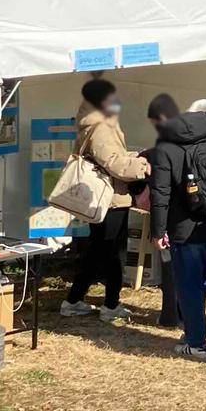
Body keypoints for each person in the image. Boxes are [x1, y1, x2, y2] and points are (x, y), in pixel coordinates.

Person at [145, 93, 206, 362]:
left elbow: (160, 195)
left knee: (187, 286)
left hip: (183, 229)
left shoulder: (165, 150)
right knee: (203, 283)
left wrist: (158, 232)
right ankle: (194, 330)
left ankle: (197, 343)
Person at [60, 79, 150, 322]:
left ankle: (74, 299)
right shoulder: (101, 128)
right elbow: (115, 164)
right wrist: (143, 165)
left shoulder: (97, 124)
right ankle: (110, 305)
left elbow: (112, 158)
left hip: (107, 198)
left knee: (98, 251)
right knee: (110, 253)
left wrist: (134, 156)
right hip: (111, 199)